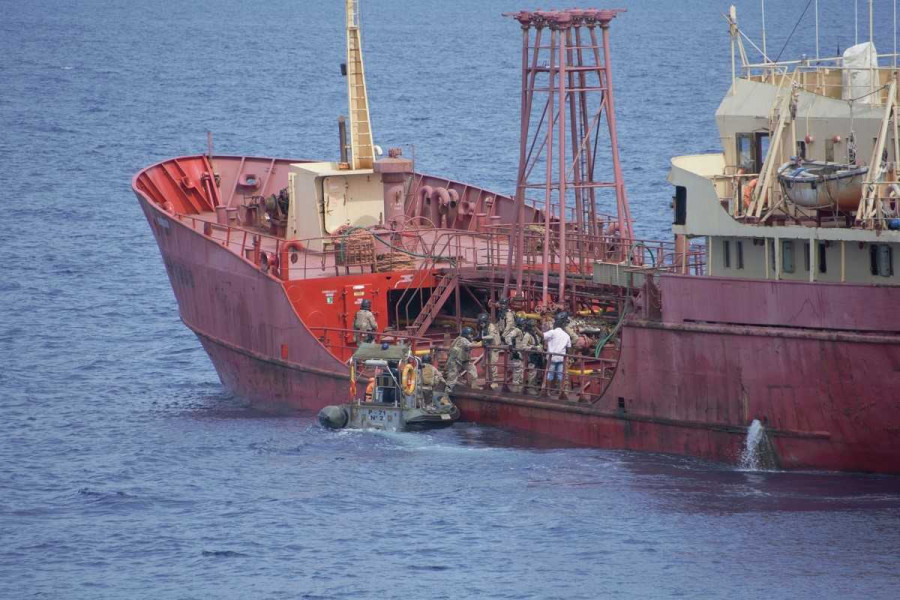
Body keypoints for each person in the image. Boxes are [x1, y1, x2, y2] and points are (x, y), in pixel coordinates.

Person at [445, 326, 482, 392]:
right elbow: (471, 345)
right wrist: (482, 343)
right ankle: (447, 392)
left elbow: (470, 344)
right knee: (452, 376)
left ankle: (474, 385)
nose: (471, 336)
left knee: (472, 369)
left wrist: (476, 341)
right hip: (455, 361)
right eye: (470, 334)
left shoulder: (459, 338)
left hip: (463, 360)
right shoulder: (462, 340)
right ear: (466, 334)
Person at [543, 318, 572, 397]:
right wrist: (569, 358)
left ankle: (548, 392)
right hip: (562, 358)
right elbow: (569, 349)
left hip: (552, 358)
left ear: (556, 325)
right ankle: (561, 392)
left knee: (550, 375)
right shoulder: (566, 335)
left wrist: (535, 328)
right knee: (560, 375)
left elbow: (542, 335)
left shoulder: (552, 332)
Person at [478, 312, 502, 390]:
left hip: (494, 348)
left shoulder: (491, 327)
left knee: (492, 365)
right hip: (488, 348)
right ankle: (488, 379)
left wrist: (483, 338)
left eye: (482, 323)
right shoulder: (485, 327)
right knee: (483, 364)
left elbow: (491, 336)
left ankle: (494, 382)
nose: (481, 325)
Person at [504, 316, 527, 393]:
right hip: (516, 353)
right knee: (517, 371)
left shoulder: (521, 331)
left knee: (520, 371)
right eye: (523, 323)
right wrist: (511, 346)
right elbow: (508, 336)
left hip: (521, 354)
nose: (524, 325)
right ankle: (515, 389)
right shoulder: (517, 330)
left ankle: (519, 388)